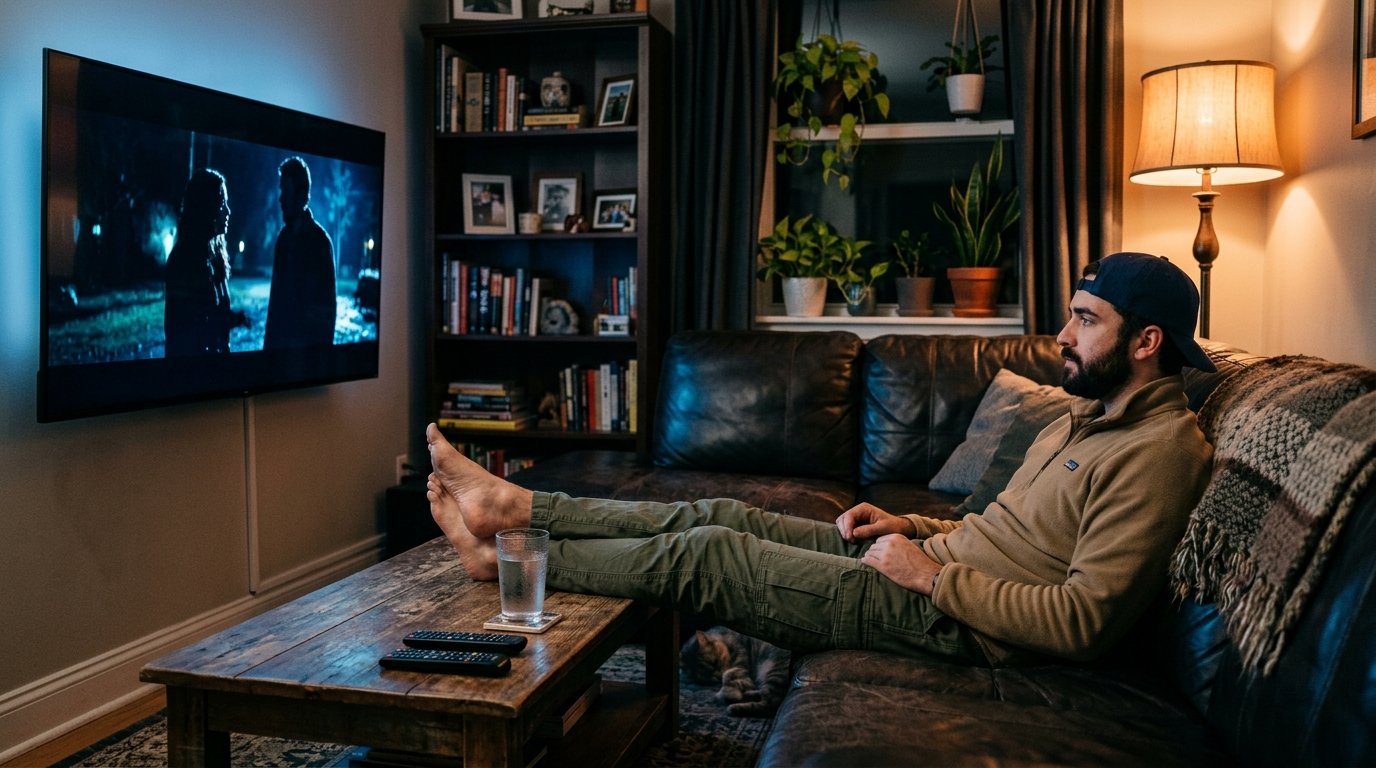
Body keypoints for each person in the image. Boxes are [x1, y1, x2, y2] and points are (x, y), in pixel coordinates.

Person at [426, 252, 1217, 667]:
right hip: (935, 564)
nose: (1064, 336)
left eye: (1085, 321)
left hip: (956, 622)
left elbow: (1083, 623)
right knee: (719, 512)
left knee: (710, 554)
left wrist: (930, 576)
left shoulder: (1160, 454)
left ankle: (500, 562)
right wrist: (910, 524)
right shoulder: (1082, 416)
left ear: (1147, 342)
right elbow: (995, 526)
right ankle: (517, 512)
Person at [164, 168, 248, 356]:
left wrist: (233, 319)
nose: (228, 211)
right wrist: (228, 321)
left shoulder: (214, 255)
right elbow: (185, 327)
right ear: (206, 207)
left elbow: (210, 313)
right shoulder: (183, 259)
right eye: (222, 203)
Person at [264, 157, 336, 349]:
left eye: (285, 190)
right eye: (281, 190)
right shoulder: (283, 239)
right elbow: (274, 306)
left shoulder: (319, 242)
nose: (280, 198)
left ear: (302, 194)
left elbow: (325, 315)